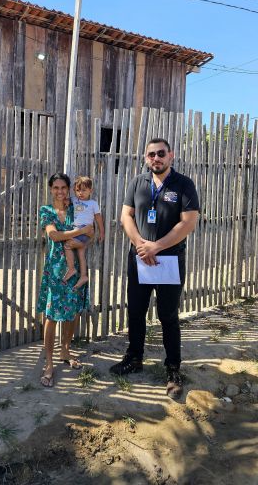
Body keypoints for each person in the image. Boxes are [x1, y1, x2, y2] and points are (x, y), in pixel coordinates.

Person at [109, 138, 199, 398]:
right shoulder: (138, 183)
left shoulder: (183, 184)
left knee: (168, 315)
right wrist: (141, 245)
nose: (156, 158)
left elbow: (188, 222)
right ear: (145, 157)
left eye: (161, 153)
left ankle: (173, 369)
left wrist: (156, 247)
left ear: (171, 155)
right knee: (136, 311)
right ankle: (134, 358)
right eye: (151, 154)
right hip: (140, 259)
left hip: (169, 260)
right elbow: (126, 215)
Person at [37, 173, 94, 387]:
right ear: (51, 189)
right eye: (56, 187)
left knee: (73, 313)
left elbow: (91, 233)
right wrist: (79, 232)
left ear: (69, 189)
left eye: (63, 187)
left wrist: (82, 239)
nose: (60, 191)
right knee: (51, 316)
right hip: (55, 270)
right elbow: (54, 236)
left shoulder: (76, 208)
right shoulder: (46, 211)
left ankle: (65, 351)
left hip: (75, 270)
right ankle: (49, 363)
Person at [63, 176, 105, 290]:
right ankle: (83, 276)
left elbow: (98, 218)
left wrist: (102, 232)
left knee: (67, 245)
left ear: (90, 190)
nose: (80, 193)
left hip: (85, 230)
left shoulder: (93, 203)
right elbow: (66, 200)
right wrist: (66, 201)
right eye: (78, 190)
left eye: (84, 190)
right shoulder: (75, 200)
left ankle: (71, 268)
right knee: (81, 253)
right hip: (78, 230)